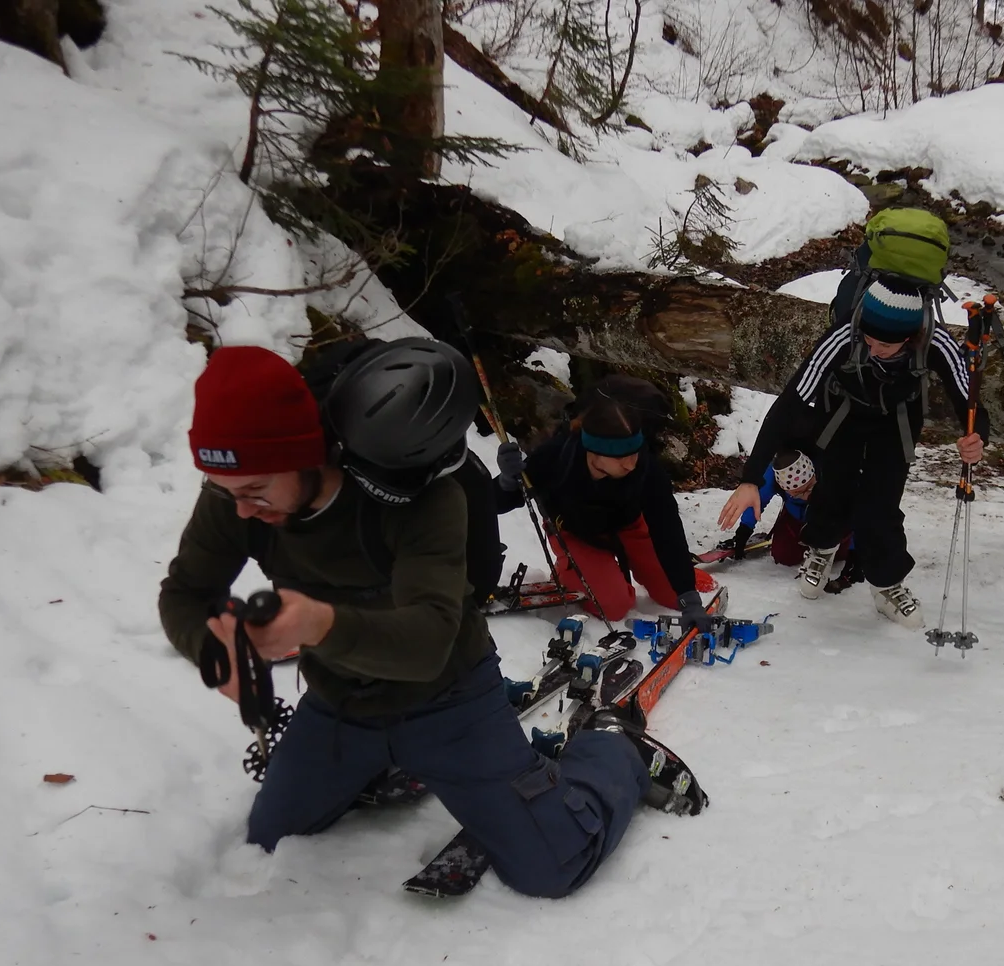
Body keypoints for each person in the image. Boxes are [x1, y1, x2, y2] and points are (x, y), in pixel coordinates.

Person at [159, 344, 657, 896]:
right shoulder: (238, 494)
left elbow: (429, 640)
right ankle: (387, 764)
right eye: (227, 493)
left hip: (449, 699)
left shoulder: (421, 494)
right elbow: (185, 592)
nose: (242, 510)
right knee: (274, 831)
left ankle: (612, 749)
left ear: (304, 455)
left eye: (254, 491)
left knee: (550, 867)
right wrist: (214, 650)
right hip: (341, 702)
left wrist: (319, 626)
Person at [717, 278, 988, 629]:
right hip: (843, 414)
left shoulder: (934, 340)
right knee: (832, 488)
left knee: (882, 504)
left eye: (884, 344)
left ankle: (887, 583)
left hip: (897, 422)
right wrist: (751, 478)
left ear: (910, 336)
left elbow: (969, 399)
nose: (872, 349)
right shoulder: (845, 336)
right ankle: (821, 550)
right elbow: (789, 404)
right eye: (868, 340)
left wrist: (977, 436)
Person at [495, 375, 717, 629]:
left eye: (635, 453)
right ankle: (571, 570)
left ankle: (649, 571)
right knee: (614, 606)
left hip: (629, 523)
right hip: (577, 532)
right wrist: (507, 480)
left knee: (673, 593)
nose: (631, 463)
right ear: (595, 452)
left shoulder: (645, 467)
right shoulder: (555, 457)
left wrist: (688, 596)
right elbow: (497, 502)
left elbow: (666, 526)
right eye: (622, 457)